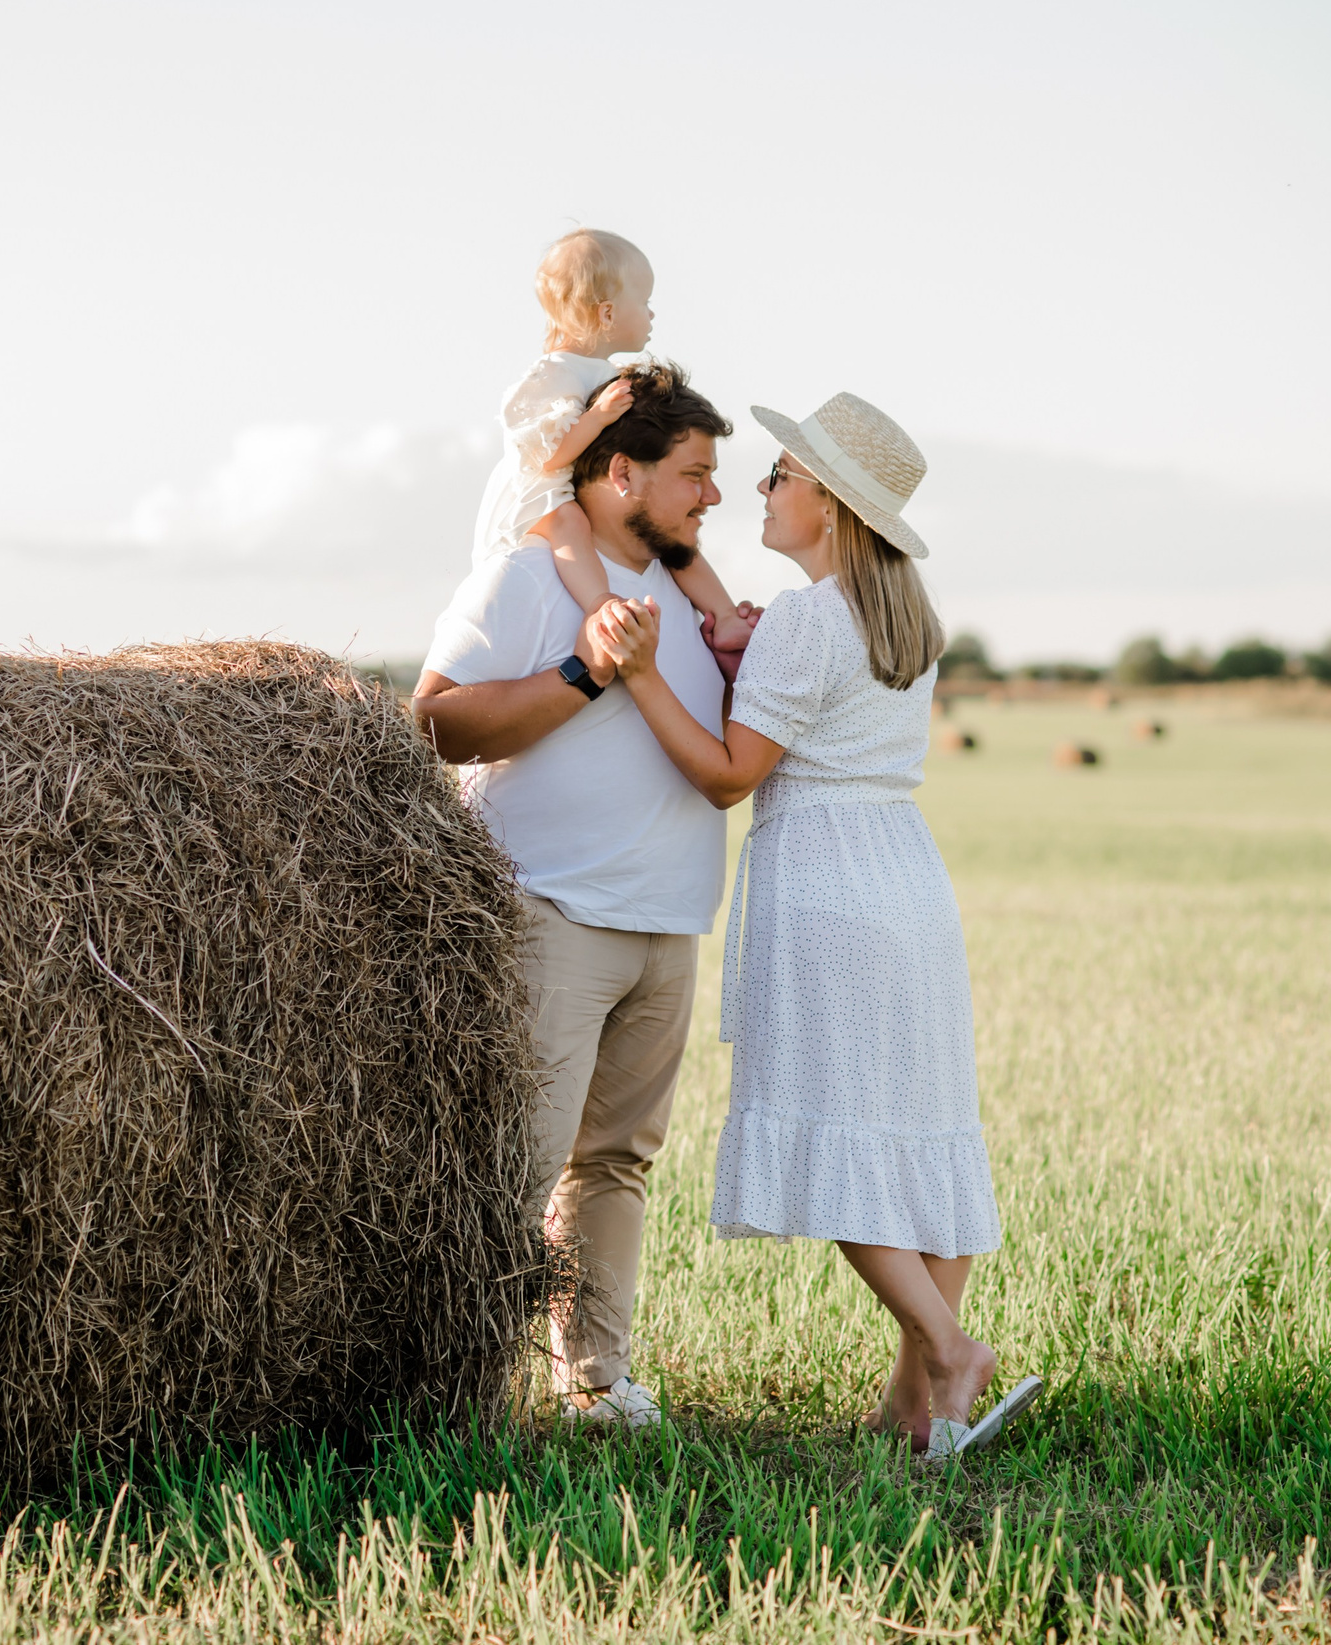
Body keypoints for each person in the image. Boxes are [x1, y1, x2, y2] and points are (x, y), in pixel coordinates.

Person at [599, 391, 1044, 1463]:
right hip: (903, 875)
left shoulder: (806, 619)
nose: (762, 489)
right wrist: (745, 643)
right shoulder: (905, 617)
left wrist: (642, 672)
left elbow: (724, 777)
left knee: (839, 1136)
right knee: (915, 1131)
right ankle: (913, 1406)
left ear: (832, 505)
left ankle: (948, 1348)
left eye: (781, 476)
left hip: (824, 884)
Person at [415, 362, 738, 1430]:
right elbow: (433, 720)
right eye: (692, 473)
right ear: (616, 472)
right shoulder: (525, 580)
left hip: (671, 919)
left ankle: (595, 1380)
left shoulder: (695, 596)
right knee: (515, 1162)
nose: (710, 496)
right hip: (550, 913)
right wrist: (580, 675)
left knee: (616, 1164)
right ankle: (454, 1391)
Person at [469, 230, 755, 660]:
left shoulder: (604, 372)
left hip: (588, 490)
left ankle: (726, 616)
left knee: (670, 534)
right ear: (606, 313)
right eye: (644, 302)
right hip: (548, 492)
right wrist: (598, 417)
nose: (652, 313)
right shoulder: (553, 376)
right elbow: (547, 458)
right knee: (569, 524)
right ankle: (600, 605)